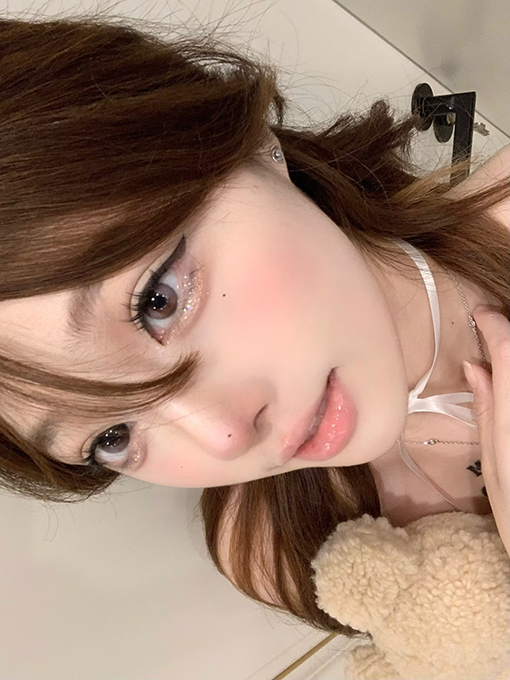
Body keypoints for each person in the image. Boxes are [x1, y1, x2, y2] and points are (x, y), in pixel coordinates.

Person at [0, 14, 508, 638]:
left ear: (251, 146)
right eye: (111, 436)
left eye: (158, 300)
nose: (224, 437)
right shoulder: (282, 546)